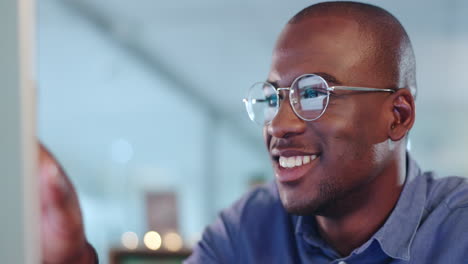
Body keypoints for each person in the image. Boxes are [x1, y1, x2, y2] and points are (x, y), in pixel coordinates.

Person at [39, 1, 468, 263]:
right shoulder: (250, 228)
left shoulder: (457, 231)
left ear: (397, 116)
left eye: (314, 93)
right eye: (273, 96)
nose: (279, 125)